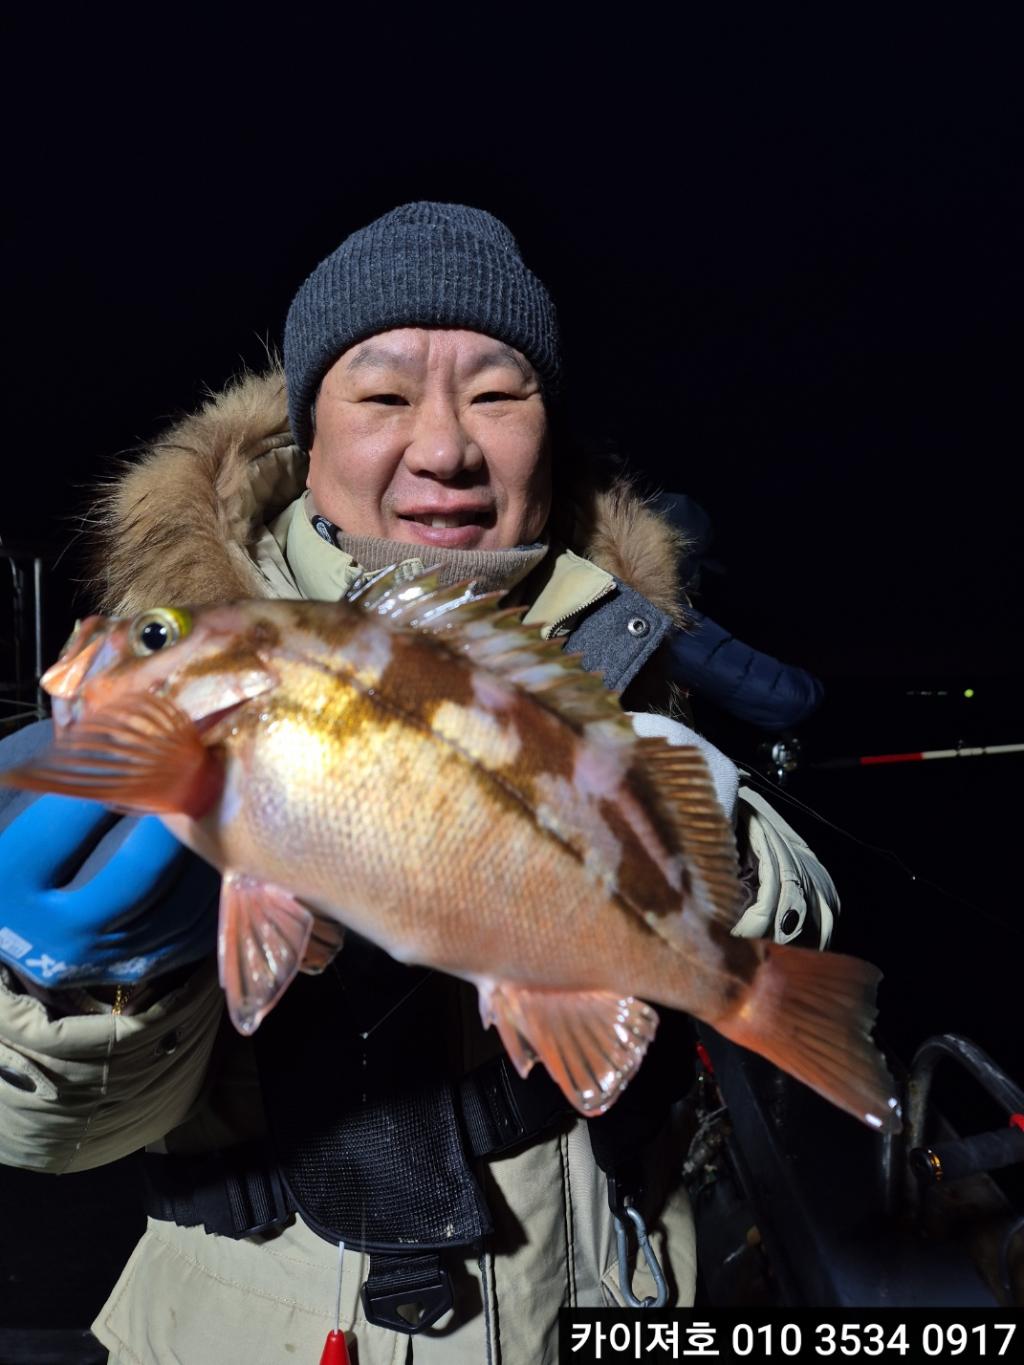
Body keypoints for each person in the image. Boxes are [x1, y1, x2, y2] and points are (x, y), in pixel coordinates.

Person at [0, 202, 838, 1363]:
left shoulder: (626, 635)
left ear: (551, 428)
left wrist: (715, 834)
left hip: (597, 1309)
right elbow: (46, 1137)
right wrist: (74, 980)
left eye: (497, 393)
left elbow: (797, 893)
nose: (443, 447)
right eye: (384, 396)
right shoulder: (178, 709)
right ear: (308, 433)